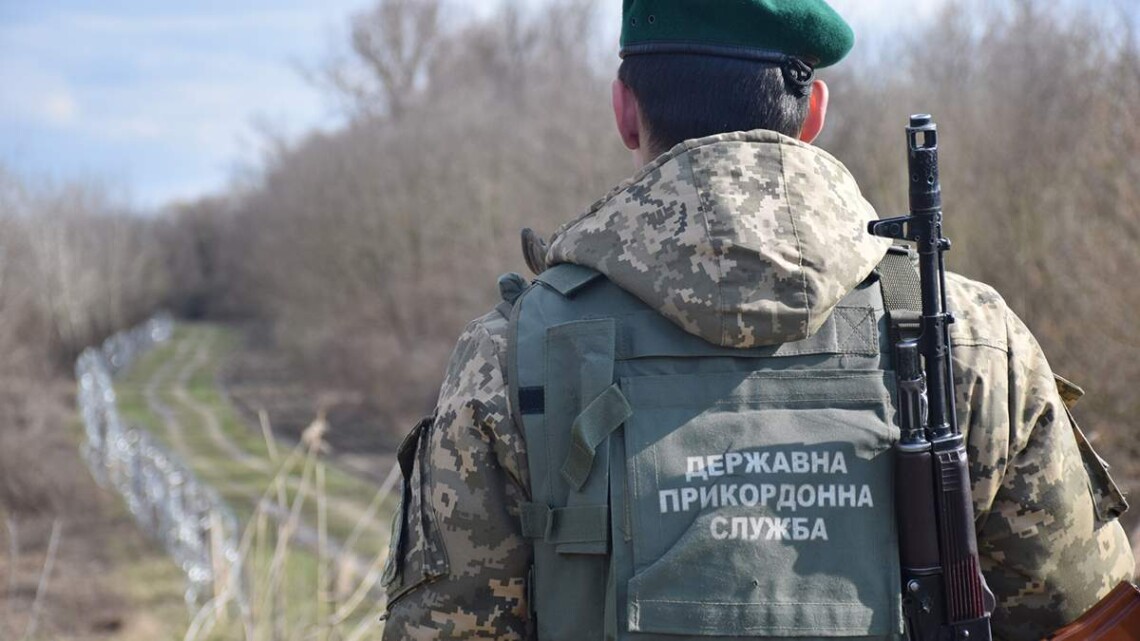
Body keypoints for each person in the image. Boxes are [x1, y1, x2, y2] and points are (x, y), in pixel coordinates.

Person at [379, 1, 1135, 639]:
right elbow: (1091, 618)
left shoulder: (511, 357)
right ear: (813, 112)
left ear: (625, 107)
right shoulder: (968, 338)